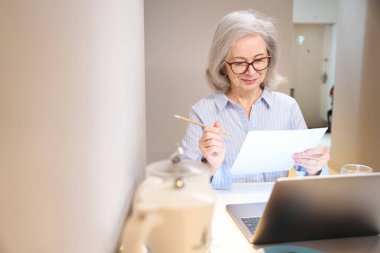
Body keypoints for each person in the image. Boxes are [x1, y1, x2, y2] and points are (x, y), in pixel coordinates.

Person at [181, 10, 330, 190]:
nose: (251, 72)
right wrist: (209, 166)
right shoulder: (203, 111)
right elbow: (185, 183)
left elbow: (312, 178)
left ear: (270, 58)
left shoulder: (287, 107)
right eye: (239, 63)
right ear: (222, 65)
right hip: (223, 211)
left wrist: (315, 169)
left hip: (275, 208)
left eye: (259, 60)